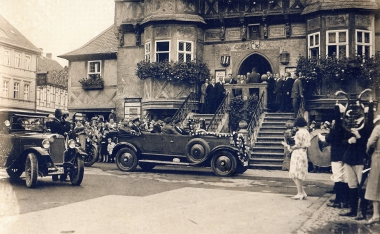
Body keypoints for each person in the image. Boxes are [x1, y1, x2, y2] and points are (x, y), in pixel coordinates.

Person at [319, 106, 349, 208]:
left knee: (338, 177)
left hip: (336, 155)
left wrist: (323, 137)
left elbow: (329, 139)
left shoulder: (335, 128)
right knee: (345, 178)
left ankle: (338, 200)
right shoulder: (348, 126)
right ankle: (345, 200)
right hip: (345, 155)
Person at [283, 117, 311, 200]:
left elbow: (298, 145)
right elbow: (306, 144)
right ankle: (302, 191)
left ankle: (300, 192)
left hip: (298, 153)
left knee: (295, 173)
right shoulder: (306, 132)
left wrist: (290, 147)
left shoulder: (299, 133)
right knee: (299, 172)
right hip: (303, 152)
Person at [365, 115, 380, 224]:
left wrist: (369, 152)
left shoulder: (378, 128)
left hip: (378, 160)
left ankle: (376, 214)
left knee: (375, 186)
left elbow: (370, 143)